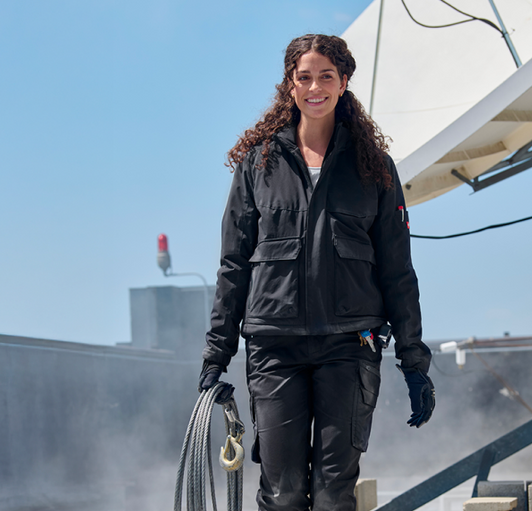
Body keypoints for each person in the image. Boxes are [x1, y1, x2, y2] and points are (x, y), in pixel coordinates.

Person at [197, 34, 436, 511]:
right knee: (282, 494)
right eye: (304, 77)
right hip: (274, 346)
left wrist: (414, 362)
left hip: (349, 347)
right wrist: (215, 356)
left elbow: (398, 272)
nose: (315, 87)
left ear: (344, 83)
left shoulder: (375, 170)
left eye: (326, 76)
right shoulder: (258, 165)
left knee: (332, 495)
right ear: (290, 85)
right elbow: (233, 266)